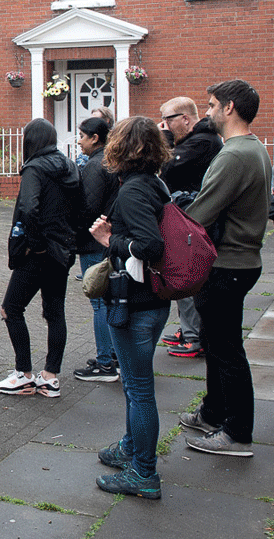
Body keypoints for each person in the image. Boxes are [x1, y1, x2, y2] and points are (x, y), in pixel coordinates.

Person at [179, 80, 271, 457]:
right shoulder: (254, 148)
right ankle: (214, 412)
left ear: (230, 107)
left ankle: (237, 433)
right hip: (240, 261)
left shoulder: (234, 154)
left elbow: (200, 213)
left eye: (213, 105)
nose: (207, 112)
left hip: (228, 262)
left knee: (227, 349)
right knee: (217, 346)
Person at [88, 116, 173, 500]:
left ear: (121, 148)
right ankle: (130, 448)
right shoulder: (155, 184)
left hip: (135, 305)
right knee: (134, 385)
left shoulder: (135, 190)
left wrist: (110, 239)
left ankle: (144, 473)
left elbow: (150, 246)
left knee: (139, 390)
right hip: (152, 303)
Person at [0, 118, 79, 398]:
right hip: (62, 252)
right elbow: (83, 207)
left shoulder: (34, 169)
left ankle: (24, 374)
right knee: (55, 312)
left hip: (38, 254)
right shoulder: (70, 167)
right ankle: (51, 377)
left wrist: (36, 244)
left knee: (11, 308)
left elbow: (29, 209)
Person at [156, 96, 222, 359]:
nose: (164, 126)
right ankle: (190, 331)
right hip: (187, 218)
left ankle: (194, 337)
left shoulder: (203, 141)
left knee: (188, 275)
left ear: (185, 118)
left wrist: (166, 143)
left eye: (168, 120)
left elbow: (167, 167)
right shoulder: (196, 140)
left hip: (193, 221)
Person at [72, 117, 121, 383]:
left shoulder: (94, 166)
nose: (78, 140)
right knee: (108, 300)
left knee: (99, 302)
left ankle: (105, 364)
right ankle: (113, 356)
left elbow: (88, 208)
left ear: (94, 138)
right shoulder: (111, 163)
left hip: (93, 241)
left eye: (82, 135)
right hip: (109, 237)